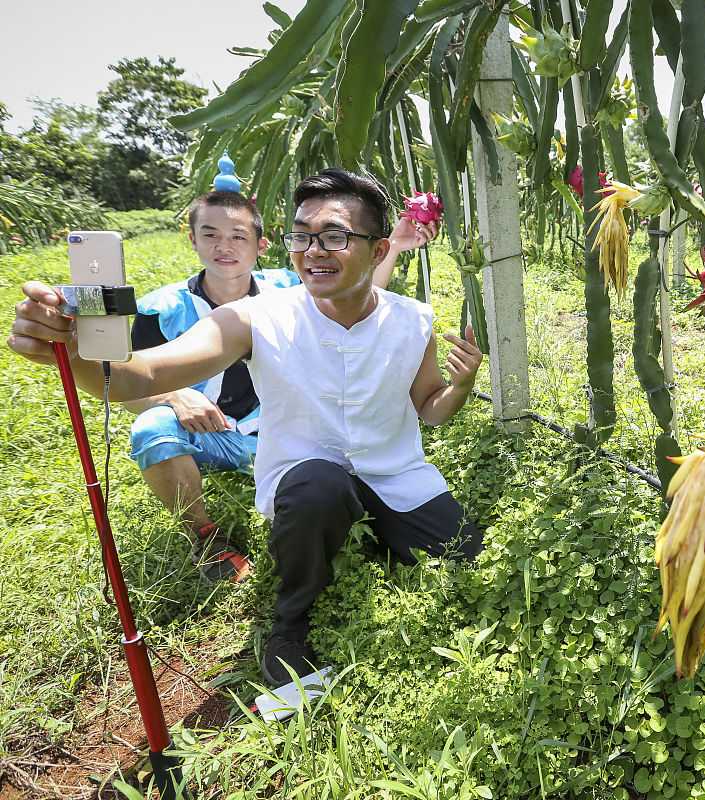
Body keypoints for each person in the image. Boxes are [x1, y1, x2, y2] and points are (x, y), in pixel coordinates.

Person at [9, 169, 484, 687]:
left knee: (466, 560)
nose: (313, 250)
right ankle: (289, 624)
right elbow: (134, 376)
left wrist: (458, 388)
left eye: (334, 236)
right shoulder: (254, 317)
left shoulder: (412, 319)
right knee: (318, 485)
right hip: (307, 479)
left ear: (378, 250)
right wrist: (74, 351)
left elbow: (431, 408)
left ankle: (357, 533)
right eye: (301, 235)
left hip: (395, 474)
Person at [125, 190, 298, 584]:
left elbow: (355, 295)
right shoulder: (163, 308)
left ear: (261, 245)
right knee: (151, 427)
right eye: (210, 234)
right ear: (193, 240)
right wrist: (173, 394)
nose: (225, 247)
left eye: (238, 235)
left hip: (282, 432)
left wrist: (397, 246)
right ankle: (205, 537)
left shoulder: (286, 291)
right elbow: (130, 387)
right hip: (208, 433)